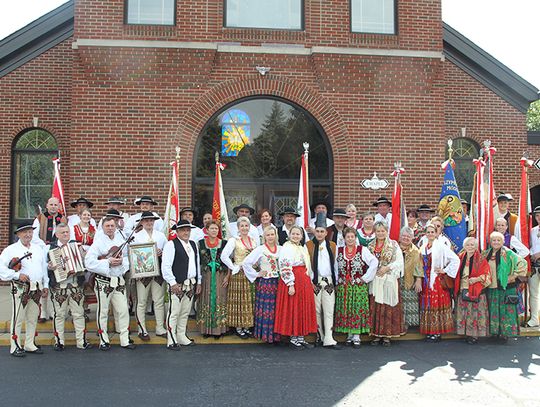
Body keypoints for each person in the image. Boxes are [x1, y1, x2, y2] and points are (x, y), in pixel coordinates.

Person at [85, 217, 135, 351]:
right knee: (103, 311)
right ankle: (103, 340)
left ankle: (125, 339)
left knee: (123, 310)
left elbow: (128, 258)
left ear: (116, 227)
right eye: (107, 226)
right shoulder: (98, 243)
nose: (110, 228)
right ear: (103, 227)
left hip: (119, 280)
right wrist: (107, 262)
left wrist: (121, 263)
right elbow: (89, 262)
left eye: (112, 226)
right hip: (104, 281)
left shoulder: (121, 241)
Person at [0, 223, 48, 357]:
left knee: (32, 317)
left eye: (30, 232)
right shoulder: (11, 250)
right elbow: (1, 269)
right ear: (18, 234)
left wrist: (45, 285)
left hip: (36, 286)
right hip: (21, 287)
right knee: (18, 317)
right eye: (24, 232)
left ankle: (29, 343)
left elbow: (43, 269)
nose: (28, 235)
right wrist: (16, 275)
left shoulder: (38, 249)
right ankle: (15, 346)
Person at [45, 223, 91, 350]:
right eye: (62, 232)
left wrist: (83, 257)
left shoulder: (76, 245)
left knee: (79, 314)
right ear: (56, 234)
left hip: (76, 284)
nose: (65, 234)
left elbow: (85, 263)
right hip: (59, 286)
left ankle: (81, 341)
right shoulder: (51, 249)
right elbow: (44, 267)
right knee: (59, 314)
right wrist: (49, 267)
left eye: (67, 232)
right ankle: (59, 341)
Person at [274, 226, 317, 349]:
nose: (296, 236)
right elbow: (284, 265)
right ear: (289, 235)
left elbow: (308, 265)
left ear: (302, 236)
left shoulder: (302, 248)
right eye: (293, 233)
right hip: (293, 279)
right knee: (294, 308)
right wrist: (290, 284)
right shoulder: (287, 247)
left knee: (302, 307)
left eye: (298, 234)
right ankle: (293, 338)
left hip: (303, 280)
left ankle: (300, 337)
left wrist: (310, 280)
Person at [334, 227, 378, 347]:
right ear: (344, 238)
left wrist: (365, 278)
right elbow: (335, 267)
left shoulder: (362, 250)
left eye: (352, 237)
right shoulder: (339, 250)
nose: (350, 239)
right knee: (346, 309)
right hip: (344, 287)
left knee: (357, 309)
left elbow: (374, 262)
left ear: (356, 237)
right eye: (348, 237)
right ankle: (349, 334)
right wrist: (337, 280)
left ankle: (356, 335)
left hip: (358, 286)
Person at [161, 220, 202, 350]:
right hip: (177, 283)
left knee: (184, 312)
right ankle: (171, 339)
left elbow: (197, 263)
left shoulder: (193, 244)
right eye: (183, 230)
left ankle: (181, 336)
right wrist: (172, 282)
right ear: (177, 232)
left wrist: (199, 281)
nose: (186, 232)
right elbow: (166, 266)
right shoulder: (171, 245)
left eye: (188, 230)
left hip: (190, 283)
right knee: (174, 312)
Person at [483, 231, 527, 341]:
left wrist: (513, 276)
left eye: (498, 240)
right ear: (490, 242)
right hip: (492, 287)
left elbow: (523, 263)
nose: (496, 242)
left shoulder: (508, 253)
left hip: (506, 287)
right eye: (494, 240)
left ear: (502, 241)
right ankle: (494, 332)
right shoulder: (486, 253)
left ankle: (505, 333)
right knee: (493, 310)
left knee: (506, 310)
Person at [419, 223, 459, 342]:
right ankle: (430, 330)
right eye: (428, 232)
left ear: (436, 233)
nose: (430, 234)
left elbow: (455, 259)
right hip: (425, 279)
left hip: (436, 279)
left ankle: (437, 332)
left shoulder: (441, 246)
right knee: (428, 304)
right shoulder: (423, 247)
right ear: (425, 234)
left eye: (433, 232)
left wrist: (445, 270)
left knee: (436, 304)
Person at [131, 211, 168, 341]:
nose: (149, 223)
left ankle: (160, 328)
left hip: (158, 272)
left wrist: (161, 252)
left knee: (158, 301)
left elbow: (167, 252)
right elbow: (133, 255)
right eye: (146, 220)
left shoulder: (161, 236)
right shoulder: (136, 236)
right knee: (141, 301)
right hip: (143, 273)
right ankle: (142, 329)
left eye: (151, 220)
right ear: (142, 222)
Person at [220, 216, 259, 339]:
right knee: (240, 300)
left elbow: (257, 255)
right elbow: (224, 256)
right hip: (239, 275)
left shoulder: (253, 240)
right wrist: (234, 266)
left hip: (250, 274)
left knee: (249, 300)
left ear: (249, 227)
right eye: (242, 226)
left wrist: (256, 264)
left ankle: (247, 326)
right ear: (238, 228)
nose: (244, 228)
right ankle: (238, 327)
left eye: (246, 226)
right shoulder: (234, 240)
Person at [368, 221, 405, 346]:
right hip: (375, 280)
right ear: (375, 232)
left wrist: (387, 268)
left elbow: (399, 262)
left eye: (382, 231)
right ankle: (376, 335)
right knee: (376, 306)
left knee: (388, 306)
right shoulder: (370, 245)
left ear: (386, 231)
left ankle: (387, 335)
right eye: (378, 231)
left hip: (388, 279)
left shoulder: (393, 245)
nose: (380, 233)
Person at [305, 213, 339, 348]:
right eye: (317, 231)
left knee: (329, 309)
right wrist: (310, 282)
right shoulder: (308, 245)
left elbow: (335, 264)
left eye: (322, 231)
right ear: (314, 231)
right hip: (316, 281)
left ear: (326, 232)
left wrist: (336, 282)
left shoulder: (332, 245)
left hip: (329, 280)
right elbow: (307, 266)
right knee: (317, 310)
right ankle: (320, 336)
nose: (319, 234)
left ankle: (329, 338)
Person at [243, 226, 282, 343]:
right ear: (264, 236)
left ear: (276, 236)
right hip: (265, 283)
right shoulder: (260, 249)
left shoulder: (281, 249)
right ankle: (266, 335)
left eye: (272, 234)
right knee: (266, 309)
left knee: (276, 309)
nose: (270, 237)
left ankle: (276, 335)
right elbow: (246, 262)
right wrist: (256, 274)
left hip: (278, 282)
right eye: (268, 235)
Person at [455, 237, 492, 344]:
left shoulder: (481, 259)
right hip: (462, 288)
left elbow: (487, 275)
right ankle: (466, 333)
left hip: (476, 290)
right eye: (468, 245)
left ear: (476, 246)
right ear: (464, 246)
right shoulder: (460, 257)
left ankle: (474, 335)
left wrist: (476, 279)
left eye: (472, 245)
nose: (470, 247)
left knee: (474, 314)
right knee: (464, 313)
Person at [197, 220, 229, 338]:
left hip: (220, 276)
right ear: (206, 230)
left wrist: (227, 276)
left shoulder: (224, 243)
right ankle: (206, 329)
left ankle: (218, 330)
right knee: (206, 299)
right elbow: (197, 262)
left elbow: (228, 261)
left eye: (216, 228)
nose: (214, 230)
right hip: (206, 276)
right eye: (212, 228)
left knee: (219, 299)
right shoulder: (200, 243)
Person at [398, 226, 423, 329]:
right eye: (403, 236)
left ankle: (409, 323)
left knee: (409, 301)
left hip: (409, 278)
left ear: (412, 238)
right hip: (396, 279)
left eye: (408, 236)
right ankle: (399, 323)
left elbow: (418, 266)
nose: (405, 238)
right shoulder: (395, 248)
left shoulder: (415, 251)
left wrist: (418, 280)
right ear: (400, 237)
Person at [528, 206, 540, 328]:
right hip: (535, 265)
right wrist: (532, 254)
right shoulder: (533, 231)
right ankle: (534, 319)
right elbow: (530, 246)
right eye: (537, 215)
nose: (539, 217)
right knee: (534, 293)